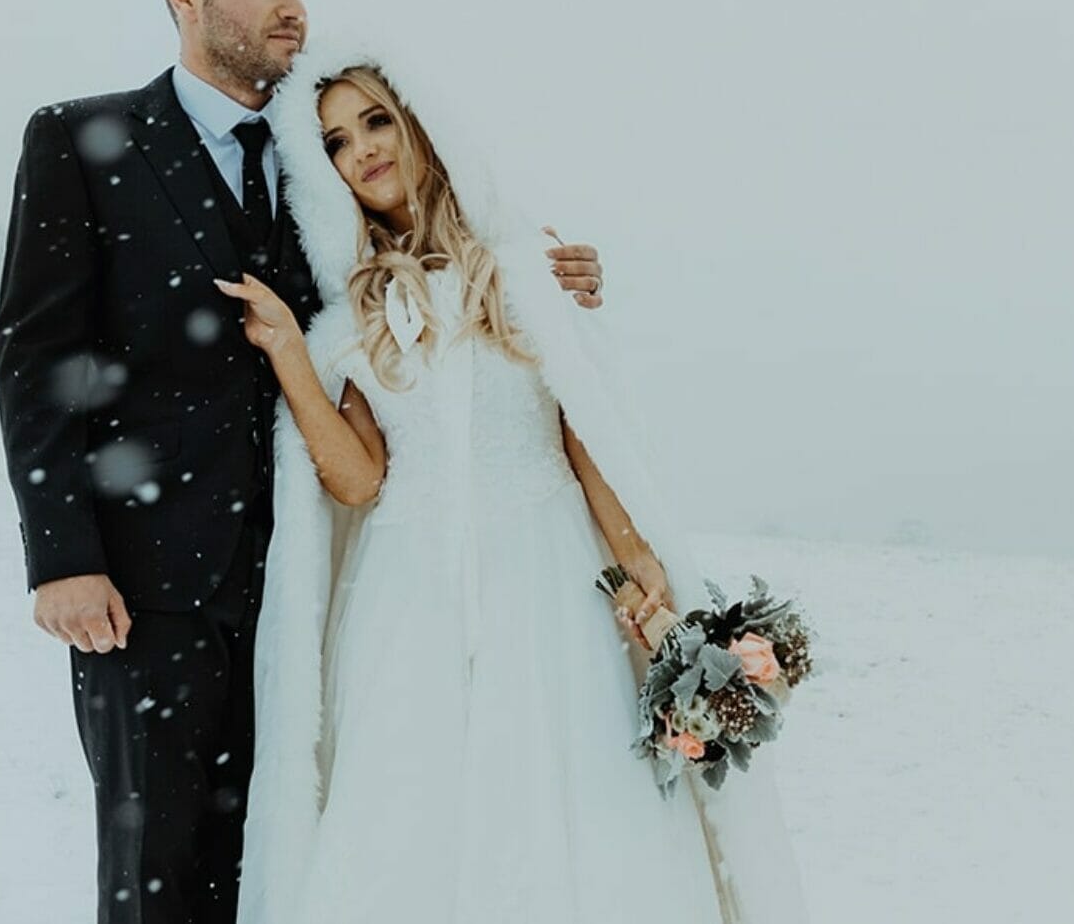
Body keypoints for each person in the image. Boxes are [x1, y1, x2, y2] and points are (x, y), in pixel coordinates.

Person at [0, 0, 604, 924]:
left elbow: (411, 280)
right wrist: (64, 554)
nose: (293, 5)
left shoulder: (319, 164)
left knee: (279, 873)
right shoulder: (82, 140)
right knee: (156, 871)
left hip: (309, 587)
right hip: (150, 589)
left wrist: (546, 270)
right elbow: (38, 358)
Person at [223, 48, 809, 924]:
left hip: (547, 576)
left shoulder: (526, 264)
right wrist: (287, 355)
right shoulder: (350, 312)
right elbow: (357, 479)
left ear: (421, 123)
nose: (363, 152)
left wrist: (637, 559)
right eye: (337, 142)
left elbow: (580, 429)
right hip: (408, 594)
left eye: (377, 121)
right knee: (410, 816)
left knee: (564, 801)